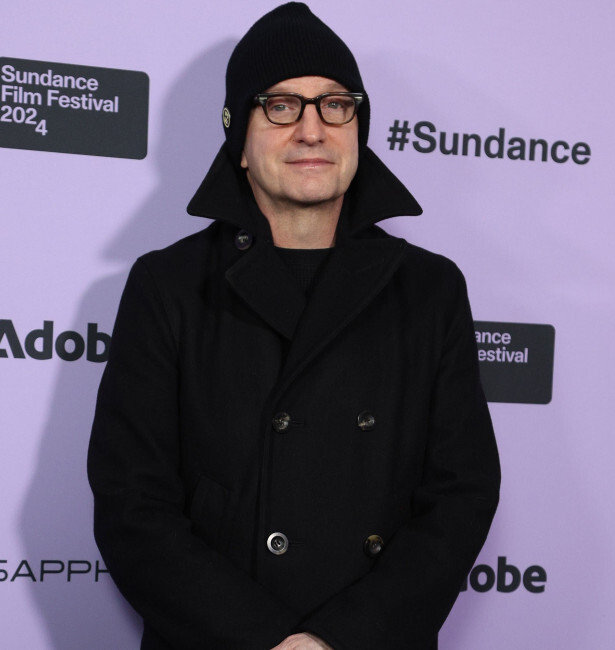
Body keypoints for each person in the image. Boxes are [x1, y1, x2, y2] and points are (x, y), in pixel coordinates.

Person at [87, 3, 501, 649]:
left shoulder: (430, 289)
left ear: (358, 128)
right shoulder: (167, 285)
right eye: (280, 106)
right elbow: (131, 503)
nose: (312, 130)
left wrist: (342, 638)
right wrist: (267, 641)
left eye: (335, 105)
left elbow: (462, 493)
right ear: (239, 140)